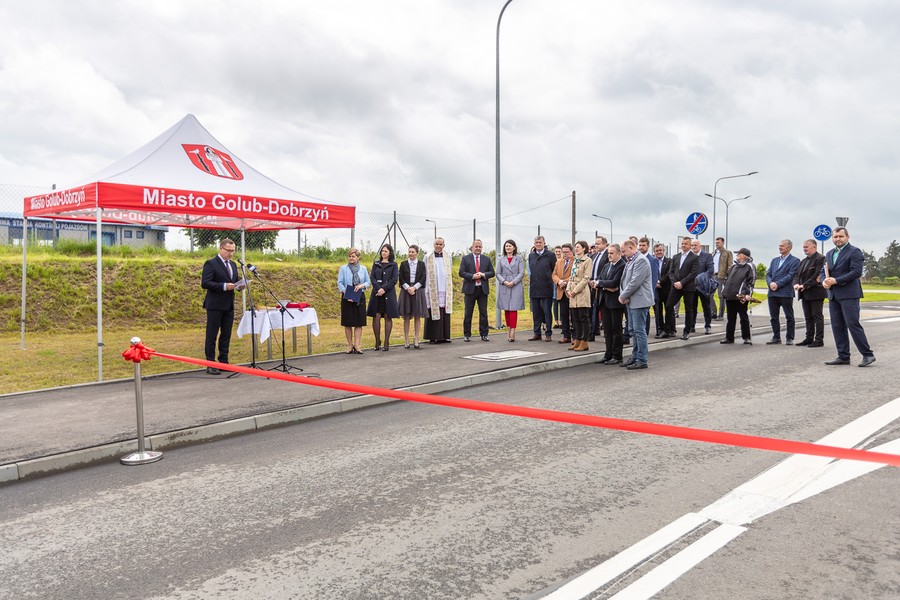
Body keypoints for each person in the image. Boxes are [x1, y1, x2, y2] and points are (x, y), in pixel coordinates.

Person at [822, 227, 876, 367]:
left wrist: (836, 281)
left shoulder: (854, 252)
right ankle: (843, 356)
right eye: (835, 237)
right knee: (837, 326)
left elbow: (856, 272)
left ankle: (868, 355)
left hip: (849, 294)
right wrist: (824, 281)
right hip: (833, 295)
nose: (838, 239)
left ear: (847, 237)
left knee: (852, 324)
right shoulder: (829, 253)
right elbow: (824, 271)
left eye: (841, 236)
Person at [201, 238, 240, 375]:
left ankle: (224, 361)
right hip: (215, 305)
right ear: (221, 249)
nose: (230, 253)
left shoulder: (233, 265)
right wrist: (223, 286)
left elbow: (234, 280)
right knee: (212, 335)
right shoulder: (211, 263)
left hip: (228, 305)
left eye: (232, 251)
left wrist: (240, 285)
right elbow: (205, 283)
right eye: (228, 250)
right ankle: (210, 363)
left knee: (226, 335)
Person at [619, 239, 654, 370]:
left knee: (639, 331)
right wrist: (624, 295)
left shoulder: (641, 260)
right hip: (632, 300)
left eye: (623, 251)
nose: (622, 254)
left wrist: (623, 295)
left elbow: (635, 282)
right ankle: (635, 357)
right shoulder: (631, 260)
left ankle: (642, 359)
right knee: (633, 330)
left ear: (631, 248)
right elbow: (624, 280)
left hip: (640, 301)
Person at [765, 239, 801, 345]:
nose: (780, 247)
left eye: (783, 246)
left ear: (789, 247)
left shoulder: (795, 261)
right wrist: (770, 283)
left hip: (785, 292)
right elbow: (768, 274)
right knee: (773, 317)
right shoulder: (774, 260)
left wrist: (777, 284)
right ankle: (776, 337)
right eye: (779, 246)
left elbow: (791, 275)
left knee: (789, 316)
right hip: (772, 293)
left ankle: (790, 338)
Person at [459, 239, 495, 342]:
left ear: (482, 248)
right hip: (470, 289)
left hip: (482, 290)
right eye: (476, 246)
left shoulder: (486, 259)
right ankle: (467, 334)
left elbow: (492, 272)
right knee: (468, 313)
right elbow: (461, 272)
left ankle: (484, 334)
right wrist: (472, 276)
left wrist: (484, 274)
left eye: (480, 247)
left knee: (483, 312)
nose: (478, 248)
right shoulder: (466, 259)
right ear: (472, 247)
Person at [719, 248, 757, 345]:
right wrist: (724, 291)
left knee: (743, 317)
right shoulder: (733, 266)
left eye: (738, 254)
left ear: (744, 256)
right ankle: (729, 337)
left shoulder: (750, 266)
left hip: (741, 296)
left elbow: (751, 282)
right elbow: (726, 279)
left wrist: (748, 294)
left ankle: (746, 337)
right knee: (730, 318)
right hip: (730, 295)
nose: (737, 256)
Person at [665, 236, 700, 340]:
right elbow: (671, 272)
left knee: (688, 309)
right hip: (675, 286)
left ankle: (687, 331)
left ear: (690, 245)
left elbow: (693, 273)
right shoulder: (675, 257)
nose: (683, 245)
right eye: (682, 243)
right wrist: (675, 282)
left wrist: (682, 283)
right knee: (668, 306)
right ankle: (669, 329)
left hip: (688, 287)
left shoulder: (694, 258)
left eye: (686, 244)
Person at [793, 239, 826, 348]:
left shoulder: (820, 258)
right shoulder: (803, 261)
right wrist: (796, 284)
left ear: (814, 247)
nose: (804, 249)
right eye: (803, 247)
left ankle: (819, 339)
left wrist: (805, 285)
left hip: (816, 292)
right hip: (804, 293)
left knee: (817, 316)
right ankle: (809, 338)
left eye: (807, 247)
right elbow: (797, 275)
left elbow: (817, 275)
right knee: (808, 317)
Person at [337, 248, 370, 354]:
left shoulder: (363, 269)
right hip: (347, 296)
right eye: (350, 256)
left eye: (353, 256)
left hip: (359, 296)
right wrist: (346, 292)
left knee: (358, 322)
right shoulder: (343, 268)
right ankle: (350, 345)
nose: (351, 258)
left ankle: (357, 344)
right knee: (347, 322)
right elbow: (340, 282)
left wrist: (361, 285)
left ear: (358, 257)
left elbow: (368, 282)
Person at [367, 243, 400, 351]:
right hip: (377, 294)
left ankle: (386, 341)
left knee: (387, 317)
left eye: (386, 251)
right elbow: (372, 277)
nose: (383, 253)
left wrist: (384, 289)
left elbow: (394, 279)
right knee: (376, 317)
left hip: (388, 294)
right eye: (382, 251)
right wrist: (378, 288)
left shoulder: (394, 265)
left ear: (390, 253)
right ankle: (377, 340)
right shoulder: (376, 263)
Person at [598, 243, 626, 364]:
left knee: (616, 330)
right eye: (608, 253)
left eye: (611, 253)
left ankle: (617, 355)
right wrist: (604, 285)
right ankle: (608, 354)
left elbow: (614, 283)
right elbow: (600, 279)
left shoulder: (622, 266)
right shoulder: (606, 266)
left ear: (619, 254)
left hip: (615, 303)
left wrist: (602, 284)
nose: (609, 255)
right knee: (607, 330)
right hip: (604, 301)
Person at [398, 245, 428, 349]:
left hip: (417, 291)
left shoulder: (421, 264)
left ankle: (416, 339)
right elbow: (401, 277)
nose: (411, 253)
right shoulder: (403, 264)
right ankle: (406, 339)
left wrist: (414, 288)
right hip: (406, 291)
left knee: (417, 315)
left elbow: (423, 277)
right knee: (406, 316)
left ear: (417, 253)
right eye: (409, 252)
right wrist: (408, 288)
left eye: (413, 252)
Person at [424, 237, 454, 344]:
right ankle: (433, 336)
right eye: (437, 244)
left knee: (444, 311)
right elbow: (424, 271)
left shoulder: (448, 256)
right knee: (433, 310)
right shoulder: (428, 257)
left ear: (443, 245)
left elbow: (448, 270)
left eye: (440, 244)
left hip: (445, 287)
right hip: (432, 287)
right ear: (434, 244)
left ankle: (445, 336)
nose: (438, 246)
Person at [565, 240, 593, 351]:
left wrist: (575, 290)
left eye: (578, 247)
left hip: (581, 292)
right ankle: (577, 339)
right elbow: (571, 276)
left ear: (584, 248)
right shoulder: (575, 261)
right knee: (575, 318)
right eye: (575, 247)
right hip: (572, 293)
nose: (576, 249)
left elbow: (586, 278)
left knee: (583, 317)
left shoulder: (587, 260)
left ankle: (584, 340)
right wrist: (568, 289)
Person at [528, 237, 556, 342]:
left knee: (547, 311)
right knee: (536, 312)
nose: (538, 244)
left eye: (540, 242)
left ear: (544, 243)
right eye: (536, 242)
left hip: (546, 287)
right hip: (535, 287)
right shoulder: (531, 255)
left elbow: (554, 270)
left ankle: (548, 333)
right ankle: (537, 333)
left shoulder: (550, 255)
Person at [496, 239, 525, 342]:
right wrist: (504, 281)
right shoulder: (501, 259)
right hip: (504, 285)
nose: (508, 248)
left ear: (514, 247)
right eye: (506, 246)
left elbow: (521, 273)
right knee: (506, 309)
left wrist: (513, 282)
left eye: (510, 246)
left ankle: (513, 331)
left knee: (513, 308)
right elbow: (497, 273)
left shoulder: (519, 259)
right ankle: (508, 329)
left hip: (515, 285)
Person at [689, 239, 716, 335]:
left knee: (706, 306)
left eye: (695, 245)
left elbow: (710, 270)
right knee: (692, 307)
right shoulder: (689, 256)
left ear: (700, 246)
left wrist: (701, 278)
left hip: (703, 286)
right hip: (691, 286)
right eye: (692, 245)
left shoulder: (707, 256)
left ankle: (708, 326)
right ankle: (692, 325)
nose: (693, 247)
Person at [552, 243, 575, 344]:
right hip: (561, 291)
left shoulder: (576, 262)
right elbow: (554, 274)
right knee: (564, 315)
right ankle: (566, 336)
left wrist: (565, 281)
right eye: (563, 252)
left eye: (567, 252)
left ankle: (575, 336)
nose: (564, 254)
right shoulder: (559, 262)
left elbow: (575, 275)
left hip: (571, 291)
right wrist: (559, 281)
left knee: (573, 316)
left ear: (571, 252)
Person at [588, 236, 609, 341]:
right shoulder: (594, 255)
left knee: (602, 310)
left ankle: (606, 332)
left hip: (602, 286)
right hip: (592, 285)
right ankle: (592, 331)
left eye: (599, 244)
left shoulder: (607, 255)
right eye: (595, 244)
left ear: (605, 244)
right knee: (592, 309)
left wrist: (599, 282)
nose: (596, 246)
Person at [652, 243, 672, 338]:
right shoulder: (652, 261)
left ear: (664, 251)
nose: (659, 252)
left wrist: (659, 281)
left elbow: (669, 274)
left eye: (660, 250)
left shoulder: (669, 261)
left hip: (666, 289)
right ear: (654, 252)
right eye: (657, 251)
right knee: (657, 311)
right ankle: (660, 329)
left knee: (669, 309)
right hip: (655, 290)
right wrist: (655, 283)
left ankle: (670, 329)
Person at [712, 237, 734, 320]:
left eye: (718, 242)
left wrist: (727, 276)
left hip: (721, 276)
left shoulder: (727, 253)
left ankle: (721, 315)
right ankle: (713, 312)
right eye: (716, 242)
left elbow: (730, 265)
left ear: (722, 243)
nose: (716, 244)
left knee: (721, 296)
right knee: (710, 295)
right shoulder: (713, 253)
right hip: (713, 276)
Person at [551, 246, 563, 329]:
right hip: (554, 283)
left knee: (562, 303)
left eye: (559, 251)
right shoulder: (553, 261)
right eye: (556, 251)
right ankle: (556, 321)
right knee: (555, 303)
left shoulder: (563, 261)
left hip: (562, 283)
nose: (558, 253)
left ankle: (562, 321)